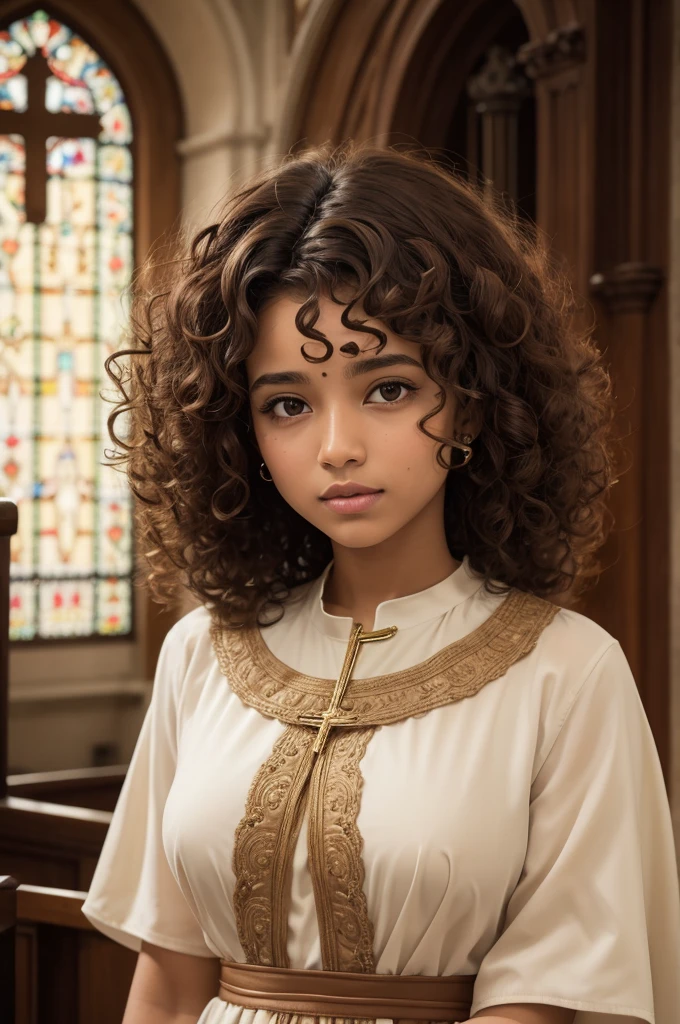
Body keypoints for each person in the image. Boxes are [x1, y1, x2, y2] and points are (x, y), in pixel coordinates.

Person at [81, 144, 680, 1024]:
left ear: (472, 399)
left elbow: (550, 1002)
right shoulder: (200, 654)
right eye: (287, 404)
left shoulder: (568, 674)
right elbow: (170, 985)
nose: (336, 446)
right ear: (238, 427)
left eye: (388, 388)